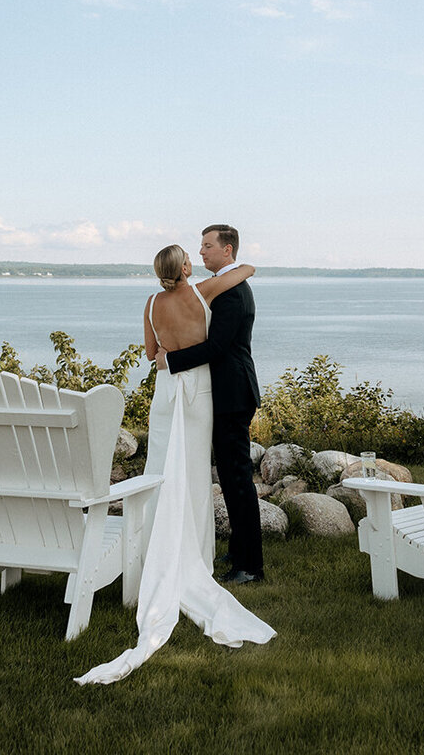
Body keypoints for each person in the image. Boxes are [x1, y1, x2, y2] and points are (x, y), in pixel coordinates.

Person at [75, 241, 275, 685]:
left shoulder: (150, 303)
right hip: (199, 394)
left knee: (161, 472)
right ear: (185, 266)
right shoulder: (203, 292)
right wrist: (247, 265)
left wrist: (168, 353)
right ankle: (194, 554)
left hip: (167, 394)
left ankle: (155, 548)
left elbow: (152, 354)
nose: (200, 256)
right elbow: (242, 274)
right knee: (193, 477)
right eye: (194, 253)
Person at [157, 225, 263, 584]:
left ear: (227, 251)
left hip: (233, 395)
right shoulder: (227, 284)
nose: (200, 252)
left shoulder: (232, 294)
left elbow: (217, 347)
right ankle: (237, 549)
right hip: (224, 393)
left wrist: (169, 361)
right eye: (199, 247)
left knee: (237, 479)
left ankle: (250, 566)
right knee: (232, 478)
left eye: (207, 246)